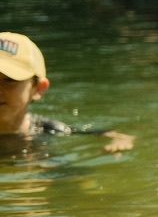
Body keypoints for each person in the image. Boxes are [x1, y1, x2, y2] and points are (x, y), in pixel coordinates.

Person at [0, 32, 135, 153]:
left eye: (10, 80)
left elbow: (111, 134)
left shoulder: (46, 129)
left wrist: (121, 140)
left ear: (39, 89)